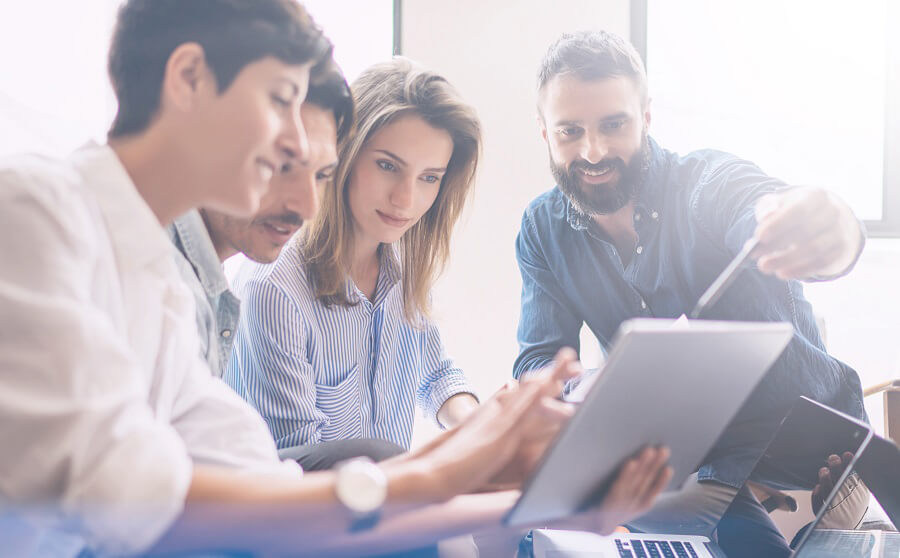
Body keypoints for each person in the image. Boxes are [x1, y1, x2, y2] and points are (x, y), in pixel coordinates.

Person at [0, 3, 671, 556]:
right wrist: (448, 471)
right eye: (283, 100)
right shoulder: (33, 210)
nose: (298, 137)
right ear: (189, 77)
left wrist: (522, 501)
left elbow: (276, 499)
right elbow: (132, 498)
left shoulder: (166, 289)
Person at [514, 30, 868, 558]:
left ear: (647, 117)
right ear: (544, 132)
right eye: (571, 131)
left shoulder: (704, 183)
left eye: (614, 124)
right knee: (534, 530)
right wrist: (592, 390)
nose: (593, 151)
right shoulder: (543, 230)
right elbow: (537, 363)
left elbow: (765, 204)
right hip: (681, 463)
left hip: (806, 455)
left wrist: (832, 230)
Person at [225, 58, 481, 456]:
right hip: (310, 511)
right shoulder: (274, 289)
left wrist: (486, 427)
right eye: (387, 166)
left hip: (388, 502)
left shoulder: (400, 270)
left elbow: (436, 376)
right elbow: (303, 464)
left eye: (429, 177)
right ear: (343, 155)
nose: (405, 199)